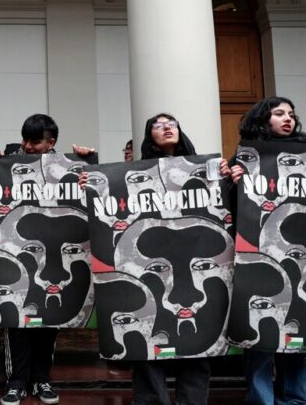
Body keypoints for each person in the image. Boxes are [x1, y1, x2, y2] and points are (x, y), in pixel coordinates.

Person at [0, 113, 93, 405]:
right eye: (25, 140)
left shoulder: (68, 166)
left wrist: (90, 168)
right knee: (16, 323)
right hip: (18, 257)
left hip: (55, 259)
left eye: (35, 142)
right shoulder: (5, 160)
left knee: (48, 321)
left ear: (51, 142)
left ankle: (42, 378)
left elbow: (95, 202)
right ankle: (16, 381)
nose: (27, 147)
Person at [130, 113, 232, 405]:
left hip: (194, 264)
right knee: (149, 339)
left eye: (171, 123)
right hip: (155, 271)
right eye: (158, 125)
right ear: (149, 136)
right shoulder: (135, 174)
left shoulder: (208, 171)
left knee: (197, 343)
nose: (166, 128)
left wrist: (227, 179)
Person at [229, 97, 306, 405]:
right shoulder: (245, 157)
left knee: (299, 333)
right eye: (279, 113)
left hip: (300, 258)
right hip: (258, 258)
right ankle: (262, 400)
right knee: (261, 333)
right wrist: (233, 184)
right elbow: (231, 212)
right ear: (263, 119)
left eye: (291, 113)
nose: (288, 118)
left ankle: (295, 399)